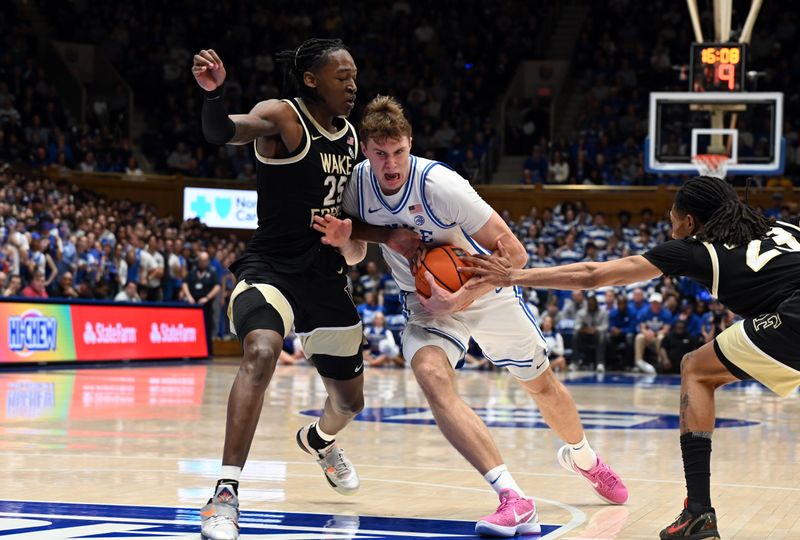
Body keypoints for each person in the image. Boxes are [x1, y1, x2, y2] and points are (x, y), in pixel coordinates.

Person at [313, 96, 627, 537]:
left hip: (485, 289)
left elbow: (514, 254)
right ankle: (513, 498)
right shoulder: (355, 188)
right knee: (430, 376)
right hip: (423, 302)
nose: (391, 163)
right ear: (365, 149)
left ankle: (584, 458)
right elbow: (357, 253)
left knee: (541, 385)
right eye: (381, 153)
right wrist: (346, 239)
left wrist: (460, 298)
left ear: (410, 144)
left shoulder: (440, 185)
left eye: (399, 151)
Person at [462, 175, 800, 539]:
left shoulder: (695, 250)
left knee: (696, 369)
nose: (671, 232)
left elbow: (593, 275)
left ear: (689, 222)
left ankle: (698, 513)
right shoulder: (782, 226)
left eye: (673, 222)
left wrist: (514, 275)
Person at [192, 41, 418, 540]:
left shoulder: (352, 135)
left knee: (349, 402)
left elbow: (350, 220)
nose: (353, 84)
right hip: (270, 269)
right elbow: (225, 131)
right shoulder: (283, 116)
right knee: (261, 350)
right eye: (342, 75)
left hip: (325, 277)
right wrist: (212, 96)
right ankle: (224, 495)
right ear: (312, 79)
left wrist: (386, 237)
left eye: (355, 74)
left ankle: (319, 441)